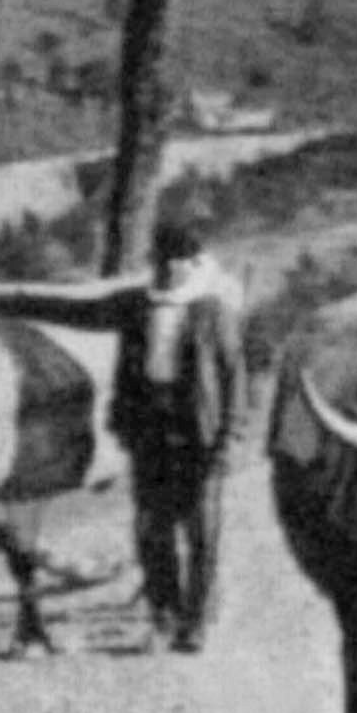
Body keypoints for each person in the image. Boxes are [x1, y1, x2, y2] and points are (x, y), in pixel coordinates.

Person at [109, 220, 245, 654]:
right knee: (153, 528)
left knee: (202, 530)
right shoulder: (140, 310)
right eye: (163, 261)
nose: (171, 269)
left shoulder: (211, 311)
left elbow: (234, 377)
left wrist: (228, 437)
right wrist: (123, 423)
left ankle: (196, 622)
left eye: (179, 261)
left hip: (197, 432)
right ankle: (163, 614)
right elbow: (124, 374)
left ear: (193, 264)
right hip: (151, 428)